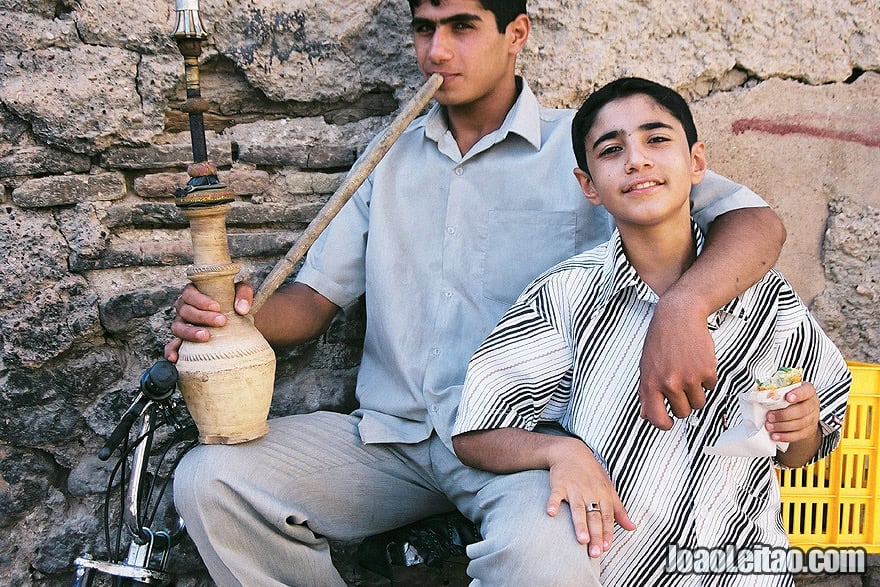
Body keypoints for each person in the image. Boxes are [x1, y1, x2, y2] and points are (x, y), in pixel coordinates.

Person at [166, 2, 787, 585]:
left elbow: (755, 224)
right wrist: (233, 314)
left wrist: (683, 307)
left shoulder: (591, 149)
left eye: (462, 27)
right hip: (390, 439)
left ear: (515, 34)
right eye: (424, 28)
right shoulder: (387, 156)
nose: (437, 51)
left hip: (527, 446)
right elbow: (311, 303)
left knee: (543, 556)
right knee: (212, 478)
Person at [452, 77, 852, 585]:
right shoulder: (566, 296)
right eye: (611, 149)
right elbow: (475, 434)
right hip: (611, 570)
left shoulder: (769, 299)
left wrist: (800, 426)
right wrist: (558, 450)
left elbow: (803, 450)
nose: (636, 160)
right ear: (589, 186)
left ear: (697, 164)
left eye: (656, 139)